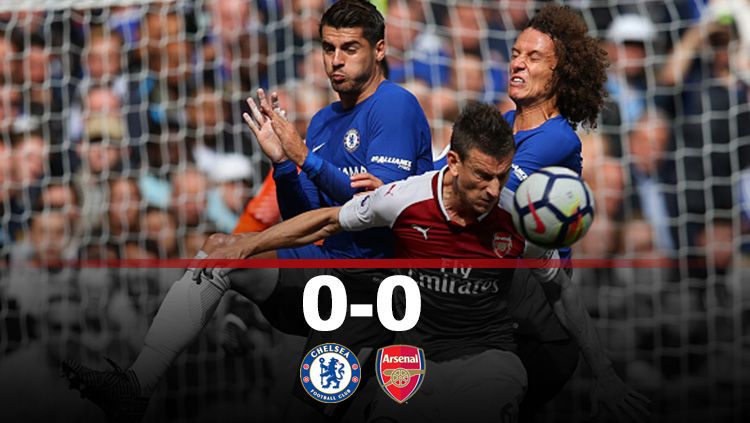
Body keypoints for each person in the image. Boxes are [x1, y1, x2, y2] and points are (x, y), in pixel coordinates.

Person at [62, 1, 432, 421]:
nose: (336, 61)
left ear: (379, 50)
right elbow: (304, 218)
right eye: (329, 49)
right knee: (222, 249)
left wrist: (304, 159)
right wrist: (283, 166)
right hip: (326, 268)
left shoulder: (395, 106)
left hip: (373, 291)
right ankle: (137, 385)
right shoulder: (323, 122)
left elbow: (374, 211)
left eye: (350, 48)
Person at [200, 102, 649, 422]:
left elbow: (562, 291)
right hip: (409, 362)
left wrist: (605, 374)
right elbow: (327, 221)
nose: (494, 189)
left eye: (502, 176)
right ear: (452, 163)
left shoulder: (520, 217)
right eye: (482, 176)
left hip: (488, 361)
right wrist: (250, 244)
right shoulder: (406, 198)